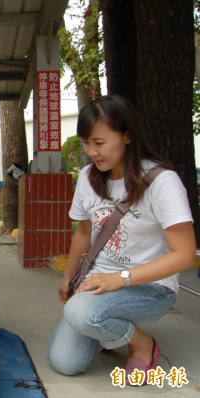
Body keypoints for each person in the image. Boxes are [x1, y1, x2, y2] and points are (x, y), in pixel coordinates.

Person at [47, 95, 196, 384]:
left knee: (80, 309)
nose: (91, 151)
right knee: (65, 362)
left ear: (127, 135)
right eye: (86, 143)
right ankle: (104, 322)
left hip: (151, 286)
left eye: (99, 143)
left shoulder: (161, 181)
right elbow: (83, 231)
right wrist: (68, 276)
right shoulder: (88, 177)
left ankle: (141, 344)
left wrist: (120, 278)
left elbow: (184, 255)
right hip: (98, 282)